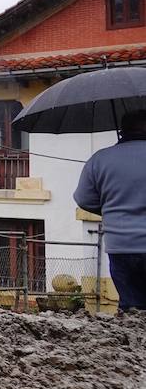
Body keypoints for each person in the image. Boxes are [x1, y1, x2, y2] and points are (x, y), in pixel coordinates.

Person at [73, 109, 146, 313]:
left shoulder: (100, 159)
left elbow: (83, 199)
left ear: (122, 131)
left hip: (121, 245)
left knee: (133, 309)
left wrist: (111, 208)